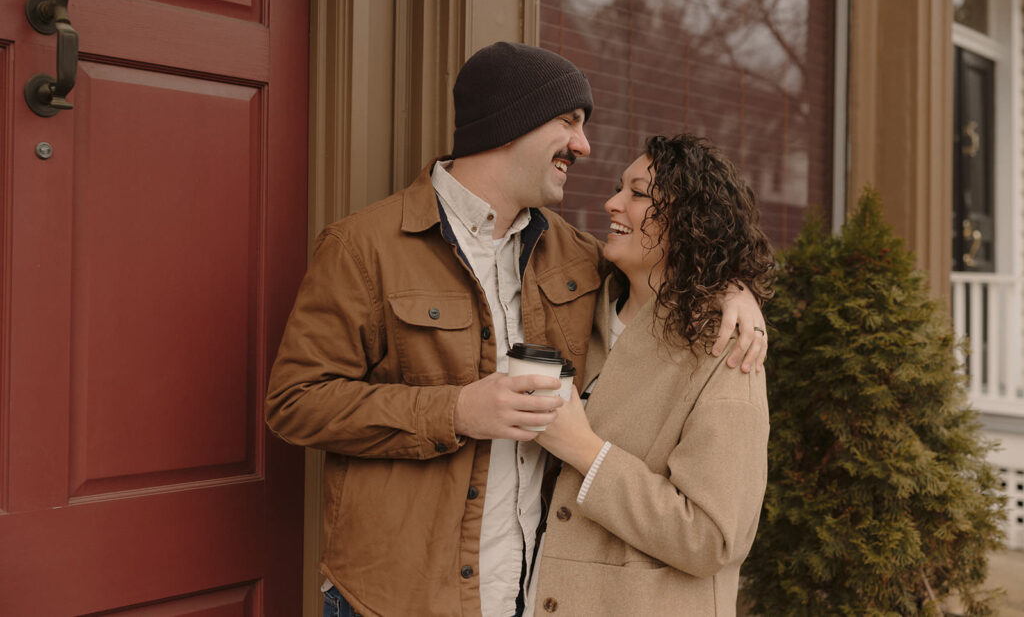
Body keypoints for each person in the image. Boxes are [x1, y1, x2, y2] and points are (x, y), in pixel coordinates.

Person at [265, 43, 768, 617]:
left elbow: (673, 264)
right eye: (568, 121)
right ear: (510, 124)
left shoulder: (579, 259)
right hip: (395, 599)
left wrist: (732, 288)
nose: (583, 145)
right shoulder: (363, 249)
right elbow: (295, 403)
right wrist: (456, 411)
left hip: (529, 599)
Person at [528, 133, 775, 616]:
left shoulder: (726, 350)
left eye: (638, 194)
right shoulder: (580, 306)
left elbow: (712, 537)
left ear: (691, 221)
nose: (611, 203)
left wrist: (585, 450)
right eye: (620, 189)